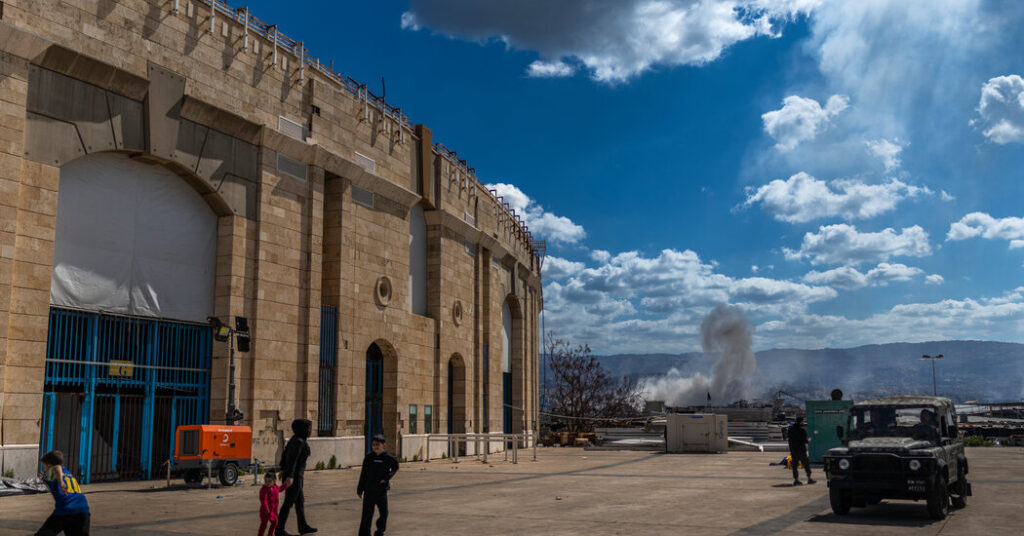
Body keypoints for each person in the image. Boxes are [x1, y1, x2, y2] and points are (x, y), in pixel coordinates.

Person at [276, 419, 317, 536]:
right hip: (294, 477)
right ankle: (279, 530)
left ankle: (303, 526)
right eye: (308, 428)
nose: (309, 430)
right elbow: (293, 459)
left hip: (295, 476)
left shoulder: (296, 439)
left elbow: (285, 455)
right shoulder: (299, 441)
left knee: (300, 502)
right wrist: (289, 475)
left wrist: (283, 469)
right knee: (288, 503)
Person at [36, 450, 90, 536]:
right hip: (83, 509)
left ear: (49, 465)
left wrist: (61, 482)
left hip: (66, 509)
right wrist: (44, 480)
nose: (44, 469)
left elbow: (57, 467)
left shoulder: (52, 470)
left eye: (44, 466)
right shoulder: (67, 472)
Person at [357, 434, 399, 536]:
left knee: (384, 513)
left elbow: (395, 467)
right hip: (369, 490)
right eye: (373, 444)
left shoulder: (388, 458)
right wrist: (360, 488)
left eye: (378, 444)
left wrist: (387, 478)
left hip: (381, 491)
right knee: (367, 514)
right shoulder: (368, 458)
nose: (375, 446)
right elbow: (363, 474)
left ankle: (380, 530)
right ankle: (364, 533)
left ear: (384, 445)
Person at [787, 417, 815, 486]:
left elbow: (789, 439)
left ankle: (796, 480)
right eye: (802, 422)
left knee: (795, 466)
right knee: (806, 464)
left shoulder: (790, 430)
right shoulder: (802, 430)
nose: (803, 423)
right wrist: (809, 440)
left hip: (793, 450)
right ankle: (809, 478)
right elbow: (805, 441)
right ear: (800, 422)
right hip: (801, 450)